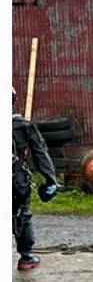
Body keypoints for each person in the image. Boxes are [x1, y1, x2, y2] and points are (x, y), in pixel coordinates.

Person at [12, 86, 58, 270]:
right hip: (16, 181)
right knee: (22, 214)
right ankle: (26, 257)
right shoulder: (22, 126)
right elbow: (40, 153)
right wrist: (50, 179)